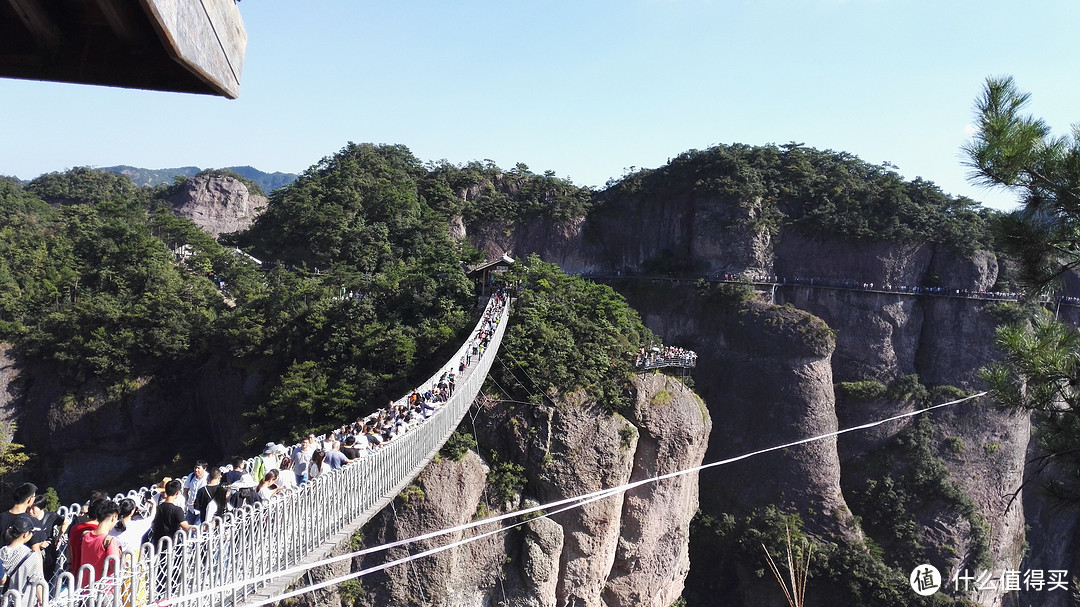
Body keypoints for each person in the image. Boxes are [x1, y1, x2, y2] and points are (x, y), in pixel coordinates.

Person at [0, 517, 46, 606]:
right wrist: (41, 600)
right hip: (22, 602)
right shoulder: (31, 555)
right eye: (32, 533)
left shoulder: (1, 551)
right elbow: (37, 581)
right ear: (25, 534)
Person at [79, 500, 120, 588]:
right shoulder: (109, 541)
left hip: (85, 588)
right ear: (113, 518)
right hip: (105, 590)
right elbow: (115, 567)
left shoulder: (85, 535)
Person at [151, 480, 192, 545]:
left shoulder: (157, 508)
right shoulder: (177, 510)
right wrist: (202, 527)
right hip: (172, 544)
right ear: (177, 493)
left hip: (157, 542)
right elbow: (186, 527)